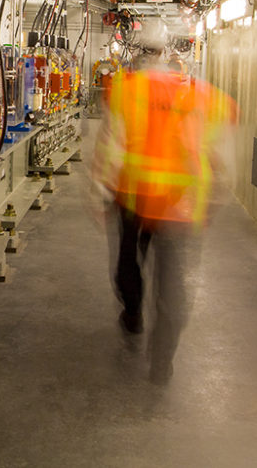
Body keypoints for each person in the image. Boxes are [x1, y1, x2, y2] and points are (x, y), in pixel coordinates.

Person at [93, 22, 236, 384]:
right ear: (171, 56)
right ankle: (162, 360)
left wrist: (98, 190)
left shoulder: (128, 91)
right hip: (181, 207)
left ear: (140, 55)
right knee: (173, 286)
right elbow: (220, 158)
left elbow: (109, 142)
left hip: (134, 197)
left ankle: (133, 316)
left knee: (128, 266)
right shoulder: (204, 95)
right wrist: (213, 201)